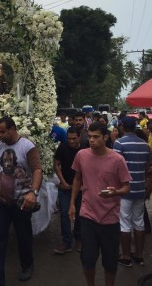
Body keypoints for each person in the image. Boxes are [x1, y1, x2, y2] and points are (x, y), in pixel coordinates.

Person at [69, 122, 131, 286]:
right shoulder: (81, 156)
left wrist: (116, 192)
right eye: (89, 137)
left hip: (110, 219)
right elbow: (77, 179)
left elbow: (126, 186)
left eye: (96, 137)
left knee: (110, 262)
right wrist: (72, 204)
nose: (91, 140)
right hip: (87, 216)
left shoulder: (118, 160)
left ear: (105, 137)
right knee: (88, 259)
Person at [0, 116, 43, 286]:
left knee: (23, 237)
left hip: (22, 202)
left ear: (13, 129)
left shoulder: (27, 146)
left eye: (3, 131)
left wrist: (33, 192)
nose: (0, 135)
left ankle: (27, 265)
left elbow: (37, 170)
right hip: (1, 202)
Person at [113, 116, 150, 267]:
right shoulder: (145, 145)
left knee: (125, 223)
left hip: (125, 189)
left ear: (122, 127)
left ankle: (126, 256)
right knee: (139, 222)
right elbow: (147, 167)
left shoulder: (119, 143)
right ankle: (139, 256)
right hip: (140, 188)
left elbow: (115, 167)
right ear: (135, 127)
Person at [53, 127, 82, 254]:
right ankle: (67, 241)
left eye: (74, 139)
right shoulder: (62, 148)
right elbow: (56, 164)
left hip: (81, 188)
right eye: (69, 139)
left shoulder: (85, 149)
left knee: (80, 214)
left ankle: (79, 239)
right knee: (65, 214)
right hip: (65, 187)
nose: (71, 141)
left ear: (79, 137)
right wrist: (62, 181)